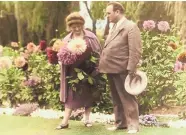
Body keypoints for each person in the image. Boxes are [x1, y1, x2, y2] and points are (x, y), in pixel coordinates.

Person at [98, 2, 142, 134]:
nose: (107, 16)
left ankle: (133, 125)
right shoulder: (115, 26)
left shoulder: (131, 26)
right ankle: (121, 123)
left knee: (127, 97)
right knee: (116, 97)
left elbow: (135, 50)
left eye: (108, 13)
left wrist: (131, 68)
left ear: (117, 12)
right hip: (110, 68)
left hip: (122, 68)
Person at [56, 12, 102, 129]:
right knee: (71, 95)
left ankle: (87, 119)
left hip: (89, 70)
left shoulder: (90, 37)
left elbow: (98, 53)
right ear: (69, 27)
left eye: (79, 26)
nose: (76, 29)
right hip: (73, 72)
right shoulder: (67, 39)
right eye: (73, 27)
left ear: (82, 25)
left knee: (88, 95)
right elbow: (62, 55)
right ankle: (65, 121)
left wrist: (97, 67)